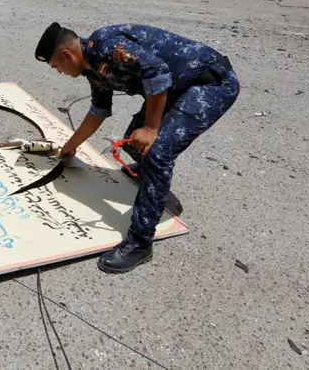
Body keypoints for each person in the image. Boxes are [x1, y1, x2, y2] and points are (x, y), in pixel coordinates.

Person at [35, 22, 240, 274]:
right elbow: (98, 112)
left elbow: (157, 73)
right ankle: (149, 181)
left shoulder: (106, 45)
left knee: (155, 152)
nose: (59, 72)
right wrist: (71, 146)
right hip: (175, 89)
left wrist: (152, 129)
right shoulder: (93, 70)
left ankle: (140, 243)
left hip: (209, 84)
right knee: (134, 143)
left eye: (56, 66)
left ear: (67, 55)